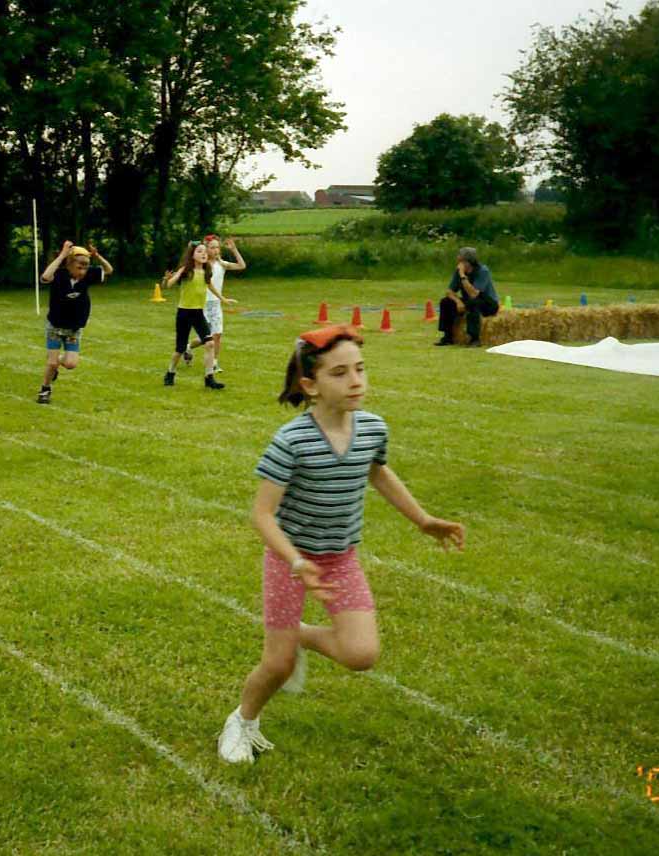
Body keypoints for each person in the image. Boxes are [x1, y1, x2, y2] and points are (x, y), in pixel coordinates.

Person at [216, 325, 466, 764]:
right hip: (289, 560)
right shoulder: (291, 441)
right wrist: (295, 561)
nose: (356, 381)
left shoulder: (372, 429)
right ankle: (243, 721)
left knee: (361, 654)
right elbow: (262, 514)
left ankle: (301, 638)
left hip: (340, 558)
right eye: (340, 373)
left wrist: (423, 519)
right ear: (310, 386)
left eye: (360, 370)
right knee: (277, 665)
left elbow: (378, 473)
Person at [35, 241, 113, 405]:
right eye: (79, 267)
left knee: (70, 364)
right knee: (51, 362)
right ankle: (45, 389)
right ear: (69, 264)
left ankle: (56, 364)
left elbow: (108, 270)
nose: (82, 271)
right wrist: (62, 255)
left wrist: (97, 256)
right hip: (55, 326)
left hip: (74, 328)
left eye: (85, 267)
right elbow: (45, 277)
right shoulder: (59, 274)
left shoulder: (88, 275)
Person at [162, 241, 232, 390]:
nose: (204, 254)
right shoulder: (186, 270)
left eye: (204, 252)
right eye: (199, 251)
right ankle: (170, 372)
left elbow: (210, 286)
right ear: (192, 255)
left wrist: (223, 299)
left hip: (198, 313)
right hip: (184, 313)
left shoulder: (206, 271)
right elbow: (169, 285)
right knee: (179, 349)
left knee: (210, 343)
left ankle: (209, 378)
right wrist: (168, 279)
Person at [187, 235, 245, 372]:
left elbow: (242, 266)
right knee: (205, 337)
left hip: (216, 304)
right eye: (212, 247)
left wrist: (234, 249)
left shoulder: (222, 264)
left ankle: (214, 363)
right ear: (206, 249)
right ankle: (188, 347)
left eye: (217, 247)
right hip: (202, 304)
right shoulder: (202, 265)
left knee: (217, 335)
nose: (215, 250)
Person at [436, 246, 498, 346]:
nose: (458, 260)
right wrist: (458, 302)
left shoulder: (483, 271)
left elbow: (474, 294)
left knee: (473, 304)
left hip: (488, 302)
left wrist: (462, 276)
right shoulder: (458, 271)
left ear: (467, 261)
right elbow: (449, 291)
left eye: (460, 259)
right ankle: (448, 336)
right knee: (445, 302)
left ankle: (475, 339)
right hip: (469, 300)